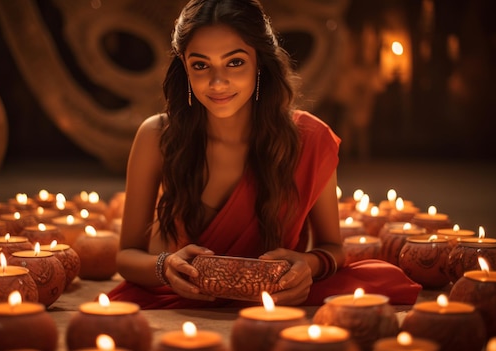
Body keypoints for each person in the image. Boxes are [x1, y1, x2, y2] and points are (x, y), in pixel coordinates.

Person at [107, 0, 421, 309]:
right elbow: (127, 256)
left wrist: (306, 267)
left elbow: (332, 249)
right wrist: (165, 268)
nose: (218, 83)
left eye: (235, 62)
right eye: (201, 65)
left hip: (276, 300)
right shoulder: (157, 136)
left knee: (382, 278)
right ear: (185, 68)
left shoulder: (308, 139)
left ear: (260, 63)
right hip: (183, 297)